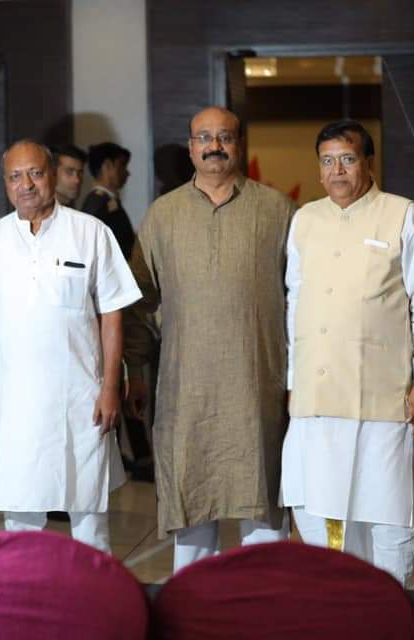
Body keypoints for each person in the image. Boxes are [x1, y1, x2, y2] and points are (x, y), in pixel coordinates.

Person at [129, 107, 296, 572]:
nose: (214, 146)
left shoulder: (277, 209)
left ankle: (266, 602)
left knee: (262, 502)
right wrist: (135, 370)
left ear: (239, 144)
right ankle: (192, 602)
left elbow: (302, 299)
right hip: (187, 389)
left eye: (224, 136)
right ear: (190, 148)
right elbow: (138, 300)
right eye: (204, 137)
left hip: (258, 386)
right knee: (192, 501)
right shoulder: (163, 215)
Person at [280, 120, 414, 586]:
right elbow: (295, 302)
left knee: (386, 509)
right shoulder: (305, 220)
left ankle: (389, 601)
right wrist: (291, 382)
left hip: (382, 395)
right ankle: (338, 600)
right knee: (318, 506)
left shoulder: (401, 214)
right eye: (327, 161)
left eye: (347, 159)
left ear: (368, 163)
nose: (337, 170)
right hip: (315, 397)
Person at [0, 140, 141, 552]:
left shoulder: (90, 232)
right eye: (15, 176)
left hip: (80, 402)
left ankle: (94, 592)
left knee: (89, 518)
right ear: (5, 183)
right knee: (20, 523)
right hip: (11, 408)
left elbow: (112, 317)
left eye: (35, 173)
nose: (26, 184)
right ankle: (27, 592)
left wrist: (110, 387)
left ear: (53, 175)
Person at [81, 142, 134, 260]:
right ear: (108, 166)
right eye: (122, 165)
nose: (127, 173)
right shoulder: (98, 203)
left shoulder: (105, 200)